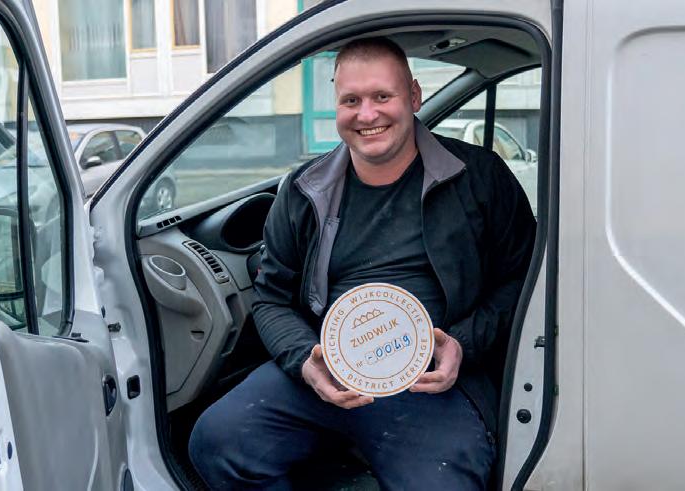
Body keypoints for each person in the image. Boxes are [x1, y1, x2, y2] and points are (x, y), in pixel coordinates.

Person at [189, 37, 536, 490]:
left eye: (382, 96)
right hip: (330, 373)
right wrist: (305, 361)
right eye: (351, 100)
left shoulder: (479, 176)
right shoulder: (303, 190)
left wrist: (462, 345)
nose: (367, 115)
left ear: (414, 96)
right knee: (216, 442)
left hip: (433, 385)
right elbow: (271, 298)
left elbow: (524, 280)